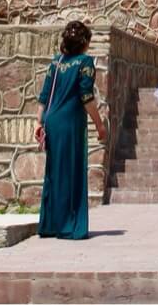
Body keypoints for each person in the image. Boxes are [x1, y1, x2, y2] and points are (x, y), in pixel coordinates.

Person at [35, 19, 108, 239]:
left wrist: (38, 122)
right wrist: (99, 123)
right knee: (71, 172)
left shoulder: (56, 62)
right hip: (69, 122)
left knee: (54, 173)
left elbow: (44, 95)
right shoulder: (84, 62)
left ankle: (50, 224)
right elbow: (86, 97)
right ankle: (69, 226)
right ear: (84, 42)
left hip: (51, 120)